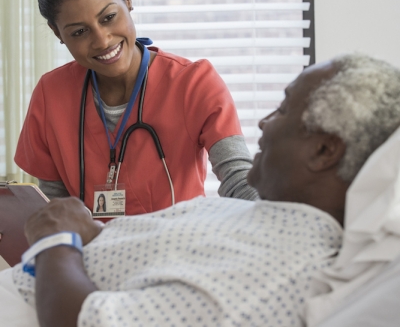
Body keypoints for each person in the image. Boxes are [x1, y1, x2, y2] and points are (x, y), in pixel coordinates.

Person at [2, 53, 400, 327]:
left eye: (282, 108)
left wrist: (58, 240)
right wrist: (89, 234)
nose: (263, 122)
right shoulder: (259, 218)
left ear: (324, 150)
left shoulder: (272, 275)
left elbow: (82, 321)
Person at [14, 0, 258, 217]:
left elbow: (239, 180)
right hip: (89, 258)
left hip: (179, 253)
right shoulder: (51, 95)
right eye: (79, 32)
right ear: (58, 33)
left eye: (108, 17)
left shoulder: (194, 83)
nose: (102, 40)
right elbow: (54, 210)